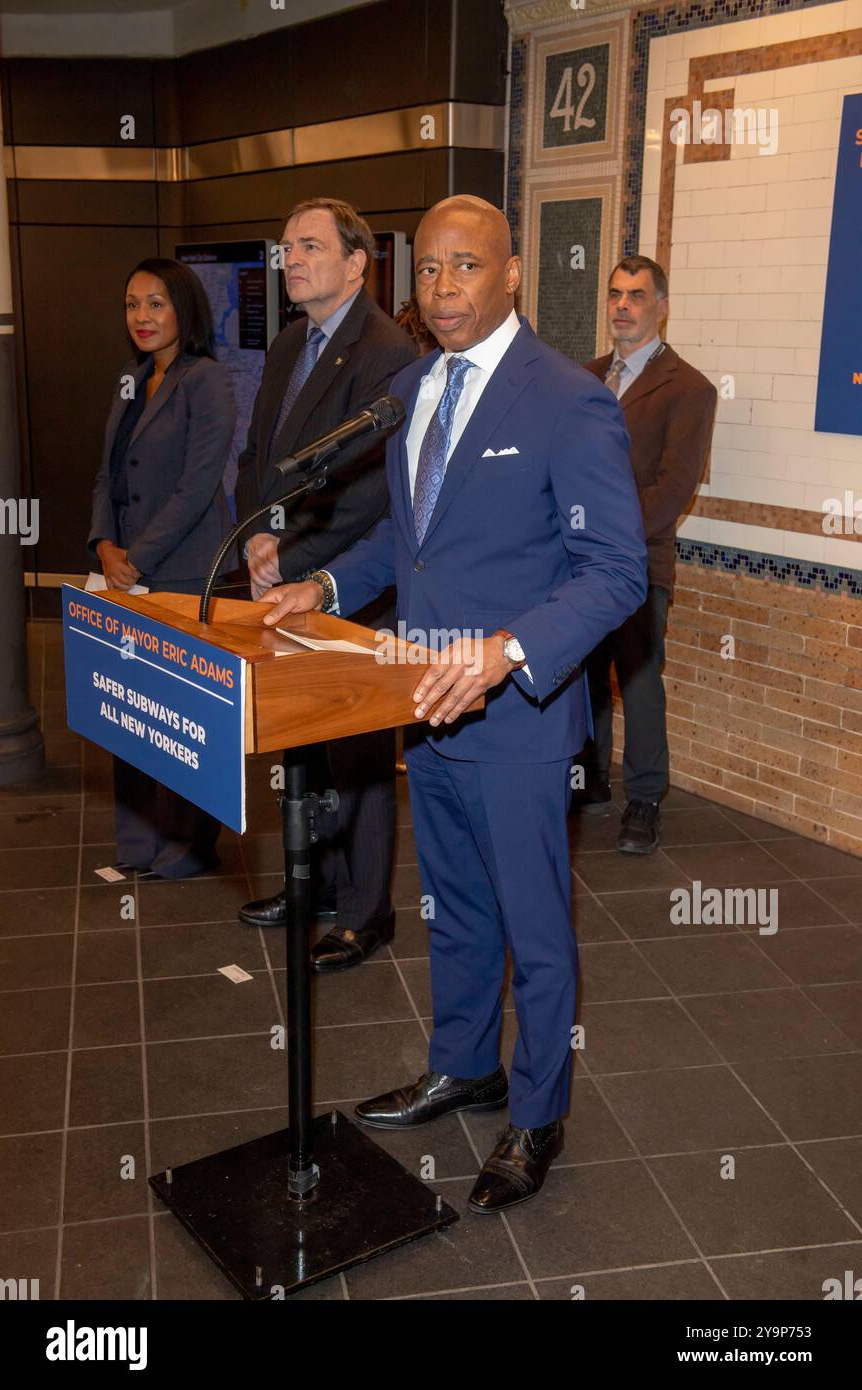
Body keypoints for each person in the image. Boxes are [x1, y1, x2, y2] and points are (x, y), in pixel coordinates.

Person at [257, 196, 647, 1213]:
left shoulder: (566, 399)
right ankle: (463, 1063)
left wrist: (504, 652)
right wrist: (329, 587)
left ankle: (535, 1111)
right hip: (422, 706)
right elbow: (408, 540)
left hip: (516, 715)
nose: (442, 290)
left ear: (510, 274)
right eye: (426, 271)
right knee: (458, 908)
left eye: (464, 267)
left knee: (534, 924)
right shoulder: (412, 388)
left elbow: (614, 571)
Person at [234, 198, 416, 971]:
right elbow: (258, 457)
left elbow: (374, 486)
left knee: (360, 755)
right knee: (300, 737)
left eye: (308, 246)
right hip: (277, 572)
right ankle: (313, 885)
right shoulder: (287, 345)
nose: (291, 260)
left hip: (351, 581)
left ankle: (367, 913)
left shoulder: (387, 350)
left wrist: (295, 549)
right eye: (285, 248)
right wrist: (254, 539)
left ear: (355, 262)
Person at [87, 257, 236, 878]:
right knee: (129, 709)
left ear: (183, 309)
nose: (141, 317)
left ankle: (188, 848)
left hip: (181, 570)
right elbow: (108, 474)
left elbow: (197, 487)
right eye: (131, 304)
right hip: (123, 570)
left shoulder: (207, 381)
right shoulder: (132, 377)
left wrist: (136, 557)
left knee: (181, 716)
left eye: (155, 303)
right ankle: (139, 845)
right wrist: (103, 544)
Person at [577, 255, 717, 853]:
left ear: (661, 306)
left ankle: (644, 799)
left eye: (636, 295)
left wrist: (606, 534)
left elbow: (672, 490)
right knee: (583, 679)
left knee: (637, 683)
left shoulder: (689, 388)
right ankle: (589, 780)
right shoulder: (584, 377)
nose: (623, 306)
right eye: (614, 294)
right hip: (577, 564)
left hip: (637, 565)